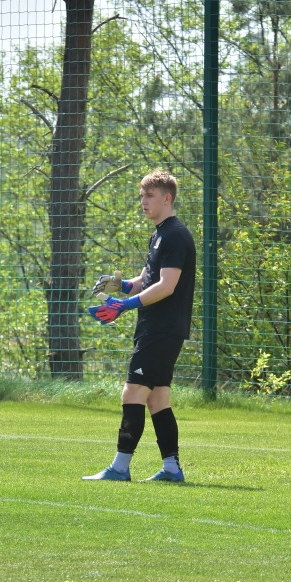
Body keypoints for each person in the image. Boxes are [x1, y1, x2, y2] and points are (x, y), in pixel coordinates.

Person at [82, 169, 196, 482]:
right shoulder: (160, 235)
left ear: (167, 199)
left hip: (161, 329)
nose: (143, 202)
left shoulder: (174, 235)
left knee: (132, 393)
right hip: (158, 327)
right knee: (158, 399)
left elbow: (167, 286)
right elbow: (146, 281)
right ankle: (172, 470)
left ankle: (119, 468)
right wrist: (119, 286)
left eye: (149, 196)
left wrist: (126, 306)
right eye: (142, 196)